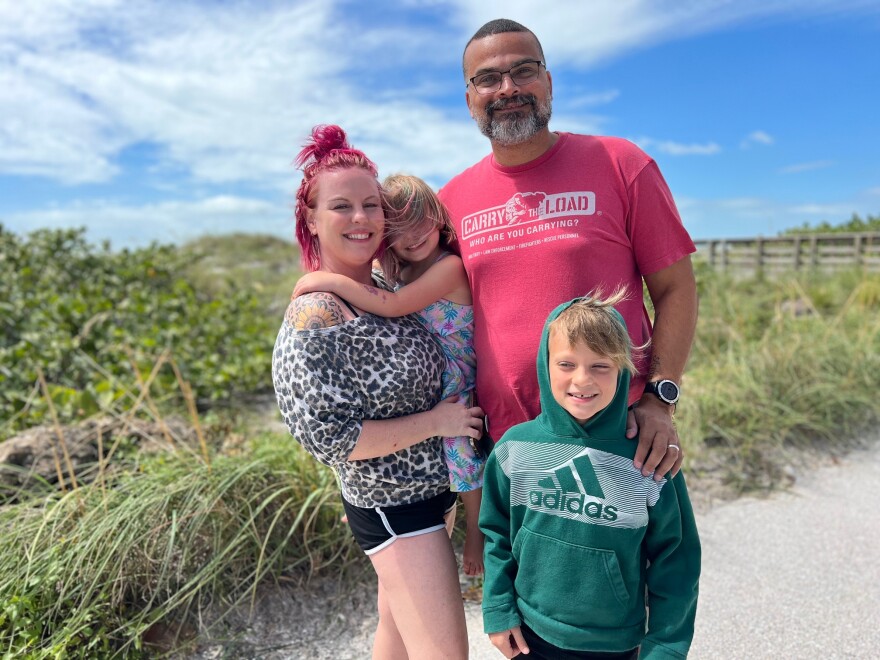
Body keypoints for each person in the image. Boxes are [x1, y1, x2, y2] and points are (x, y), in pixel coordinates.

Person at [438, 18, 699, 480]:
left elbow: (676, 289)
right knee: (514, 555)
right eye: (488, 79)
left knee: (639, 554)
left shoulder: (622, 165)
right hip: (506, 446)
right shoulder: (450, 202)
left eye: (524, 71)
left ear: (549, 82)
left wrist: (660, 400)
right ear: (469, 98)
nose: (508, 88)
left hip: (618, 436)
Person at [272, 124, 484, 659]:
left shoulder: (388, 286)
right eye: (342, 207)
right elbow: (332, 440)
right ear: (312, 221)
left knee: (394, 640)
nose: (362, 218)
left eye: (371, 204)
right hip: (396, 506)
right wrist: (437, 423)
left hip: (431, 496)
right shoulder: (316, 314)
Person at [479, 290, 701, 659]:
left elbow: (677, 559)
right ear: (544, 365)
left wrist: (665, 645)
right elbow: (497, 535)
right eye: (567, 364)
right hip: (530, 635)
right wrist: (498, 609)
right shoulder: (515, 449)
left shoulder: (648, 457)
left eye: (600, 366)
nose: (582, 380)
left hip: (614, 643)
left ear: (623, 369)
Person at [292, 173, 487, 576]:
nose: (413, 236)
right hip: (436, 381)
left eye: (422, 222)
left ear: (439, 219)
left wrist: (328, 280)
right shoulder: (400, 268)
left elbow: (394, 306)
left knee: (460, 447)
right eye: (398, 230)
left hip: (458, 373)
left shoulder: (448, 267)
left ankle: (477, 533)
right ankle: (374, 505)